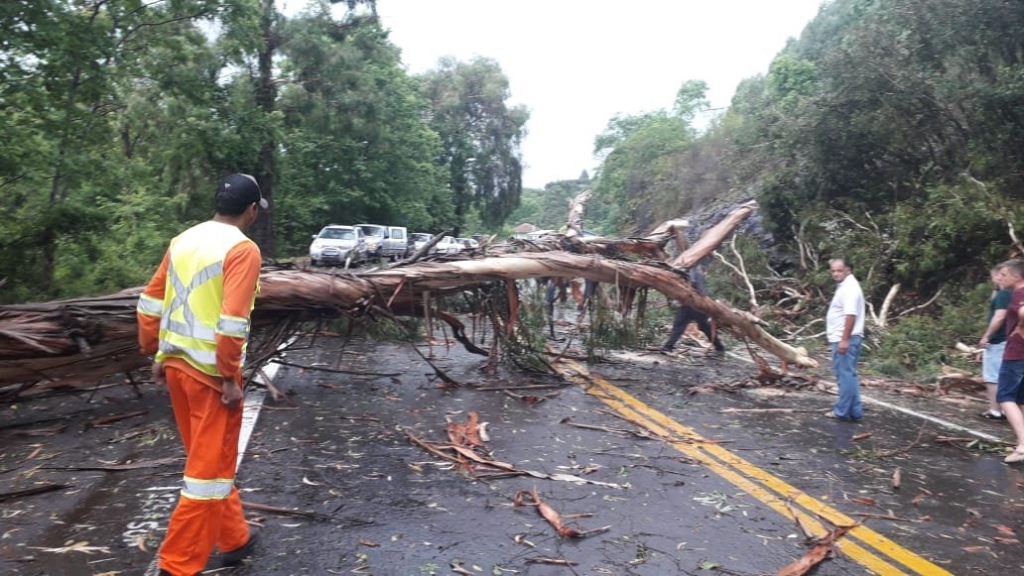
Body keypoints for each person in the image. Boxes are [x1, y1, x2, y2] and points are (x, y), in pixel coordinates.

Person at [136, 173, 266, 575]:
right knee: (205, 474)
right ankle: (176, 566)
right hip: (211, 375)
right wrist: (229, 377)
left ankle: (234, 538)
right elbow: (231, 322)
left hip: (176, 366)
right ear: (251, 210)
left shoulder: (184, 240)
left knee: (208, 461)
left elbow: (151, 300)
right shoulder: (243, 250)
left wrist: (154, 351)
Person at [825, 258, 865, 421]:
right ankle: (855, 412)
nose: (835, 274)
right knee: (850, 375)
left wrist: (844, 340)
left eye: (839, 270)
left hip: (845, 339)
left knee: (845, 376)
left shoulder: (849, 288)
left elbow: (851, 315)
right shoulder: (847, 286)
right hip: (847, 337)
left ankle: (841, 412)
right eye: (833, 271)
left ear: (848, 269)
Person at [995, 259, 1024, 463]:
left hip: (1017, 352)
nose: (1000, 278)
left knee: (1005, 397)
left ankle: (1023, 445)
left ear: (1017, 276)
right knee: (1021, 400)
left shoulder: (1019, 293)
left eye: (1003, 274)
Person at [662, 264, 726, 355]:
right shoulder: (692, 271)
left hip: (696, 304)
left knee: (700, 326)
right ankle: (668, 346)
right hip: (690, 304)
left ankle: (720, 348)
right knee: (681, 324)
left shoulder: (694, 272)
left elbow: (698, 287)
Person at [979, 265, 1011, 420]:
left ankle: (995, 410)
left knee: (992, 377)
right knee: (1006, 376)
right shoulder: (1010, 293)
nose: (995, 279)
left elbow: (999, 317)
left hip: (998, 340)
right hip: (1009, 340)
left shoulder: (1004, 294)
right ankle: (1007, 409)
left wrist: (987, 336)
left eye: (996, 276)